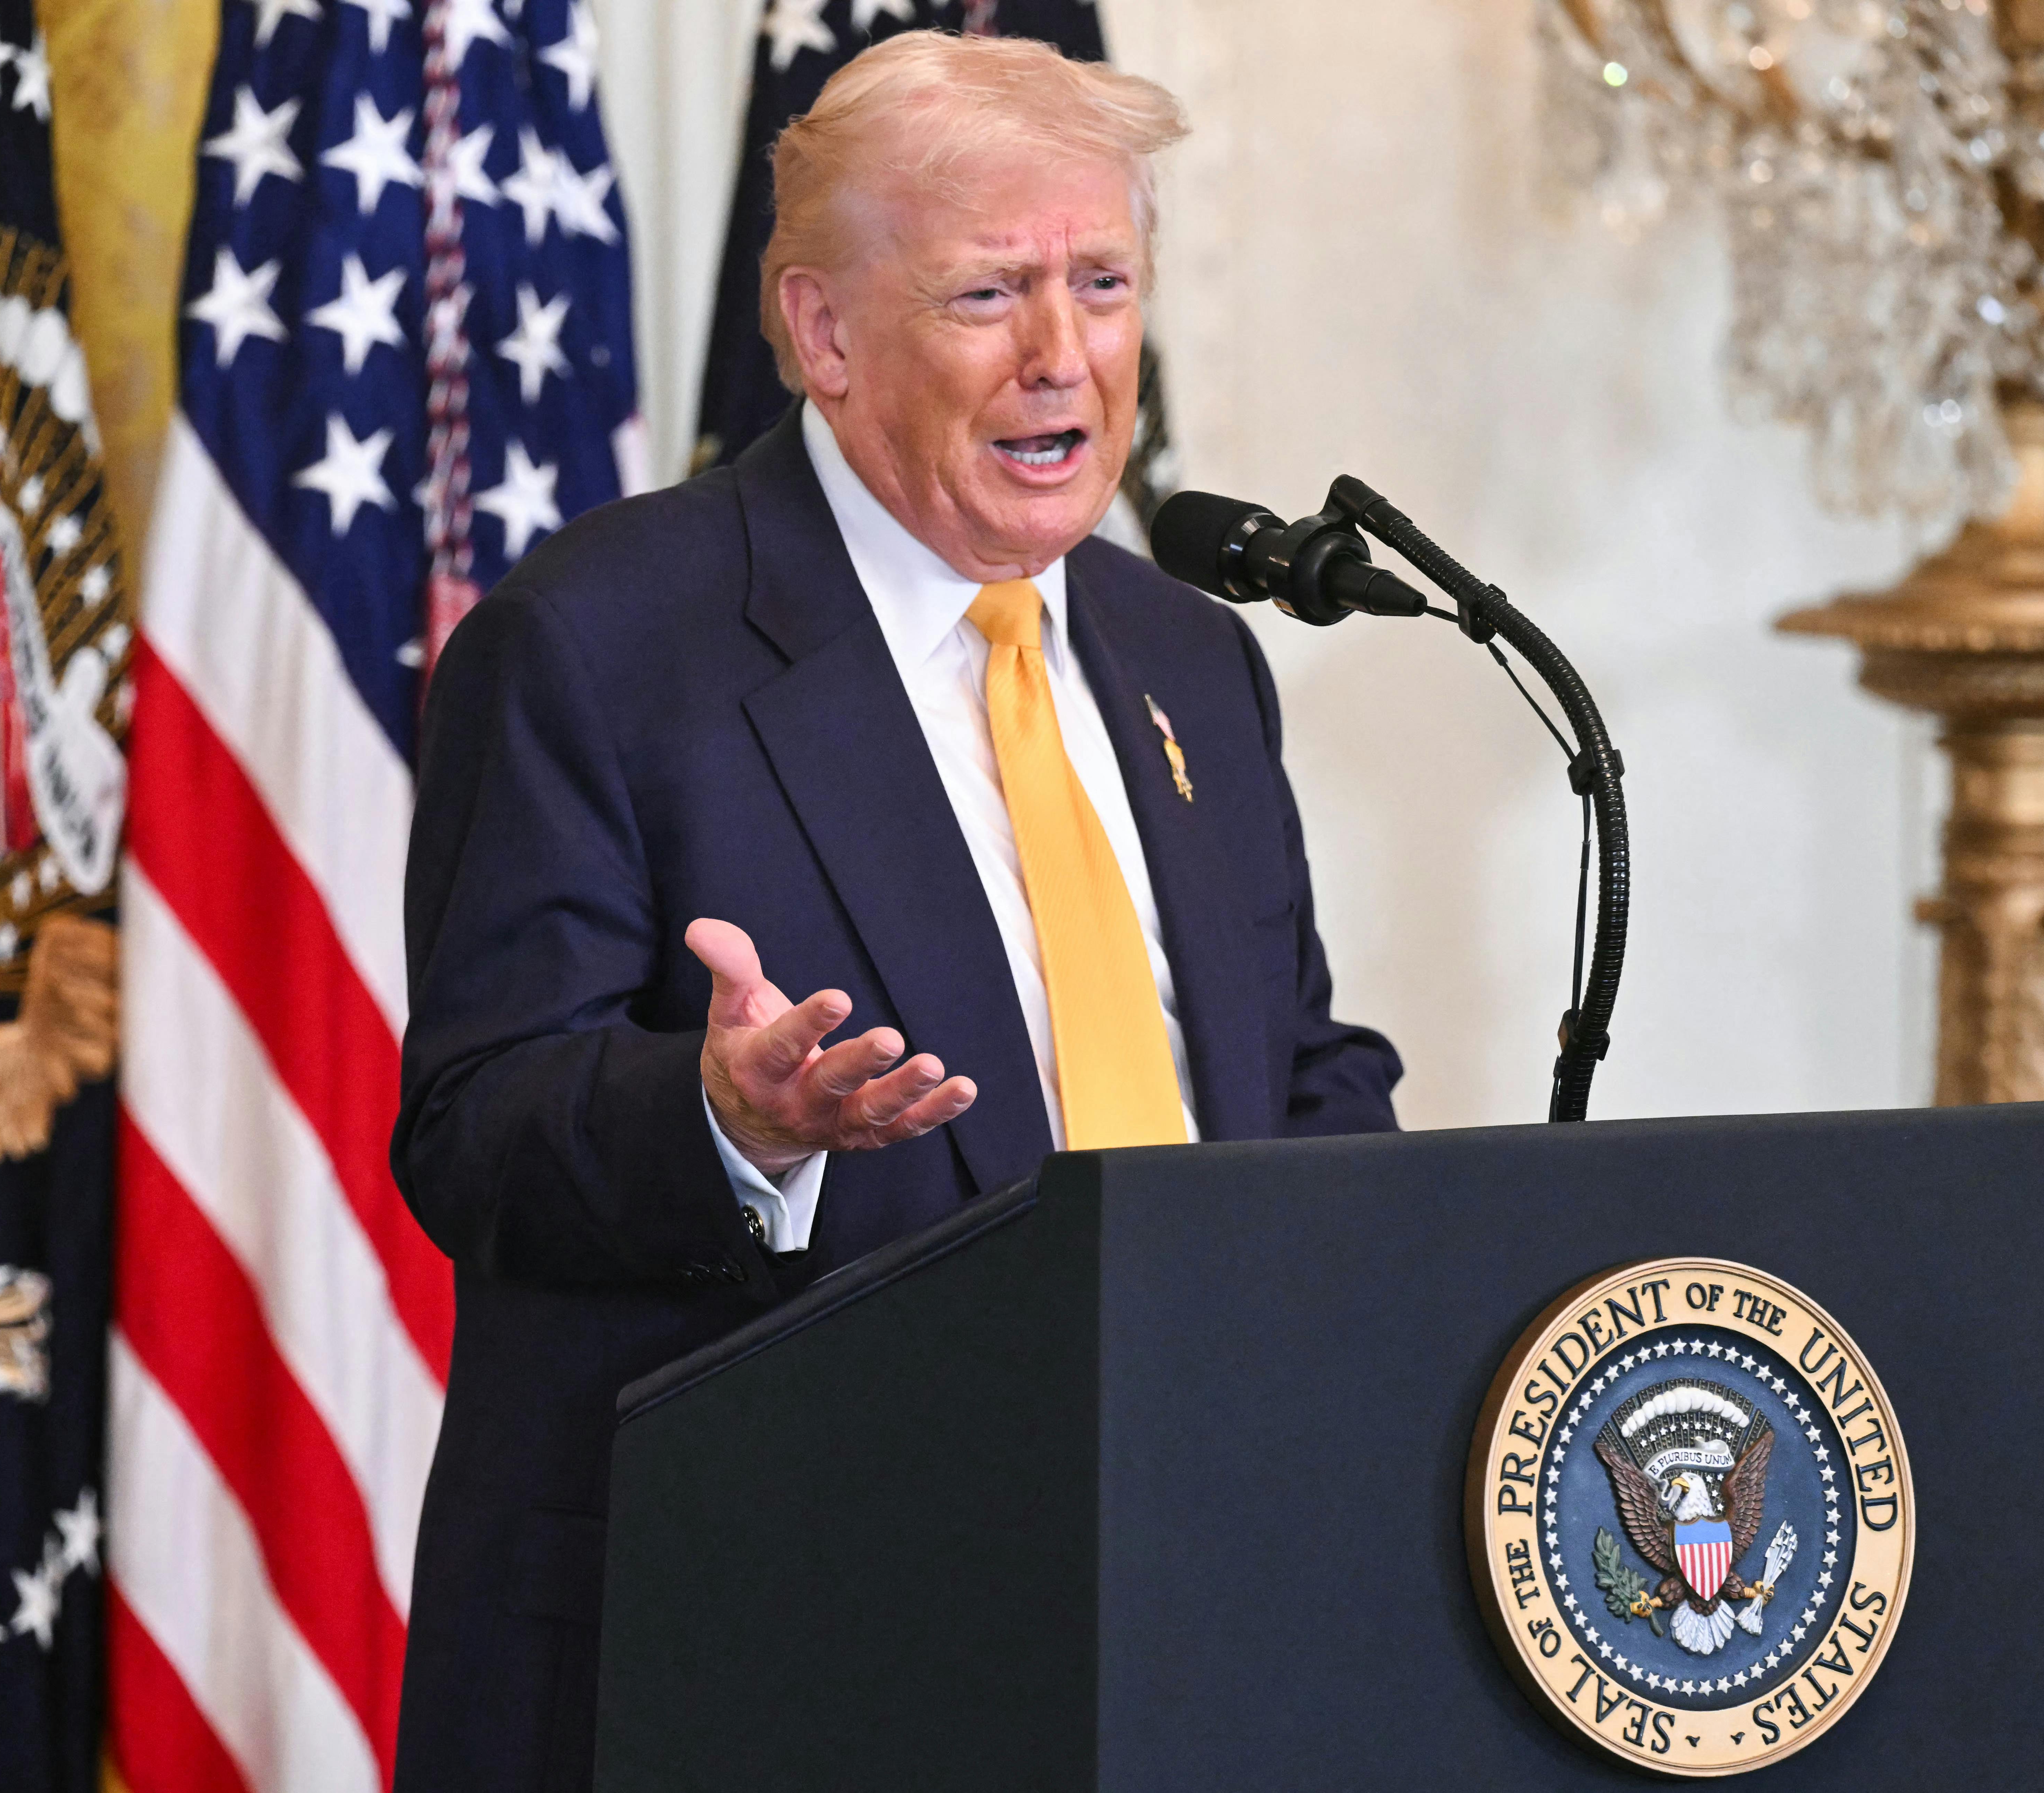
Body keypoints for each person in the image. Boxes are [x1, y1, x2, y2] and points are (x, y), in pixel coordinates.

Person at [390, 29, 1402, 1790]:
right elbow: (470, 1129)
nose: (1062, 355)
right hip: (768, 1636)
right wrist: (721, 1118)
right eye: (985, 294)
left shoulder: (1190, 657)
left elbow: (1286, 1065)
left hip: (1176, 1607)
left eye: (1100, 281)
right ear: (822, 333)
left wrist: (1415, 1253)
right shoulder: (600, 645)